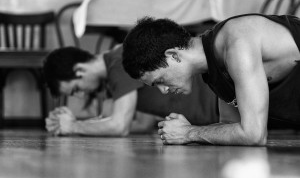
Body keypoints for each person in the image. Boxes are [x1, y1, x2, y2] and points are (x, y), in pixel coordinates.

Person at [122, 14, 300, 146]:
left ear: (173, 55)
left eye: (160, 80)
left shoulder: (237, 41)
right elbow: (231, 128)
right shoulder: (213, 68)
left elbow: (253, 135)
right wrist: (191, 132)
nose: (164, 90)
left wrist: (189, 132)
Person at [43, 45, 218, 136]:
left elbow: (119, 126)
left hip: (220, 101)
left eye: (76, 89)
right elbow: (143, 123)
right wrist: (68, 124)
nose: (81, 95)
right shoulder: (112, 81)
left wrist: (73, 126)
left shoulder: (120, 61)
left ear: (79, 70)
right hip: (214, 120)